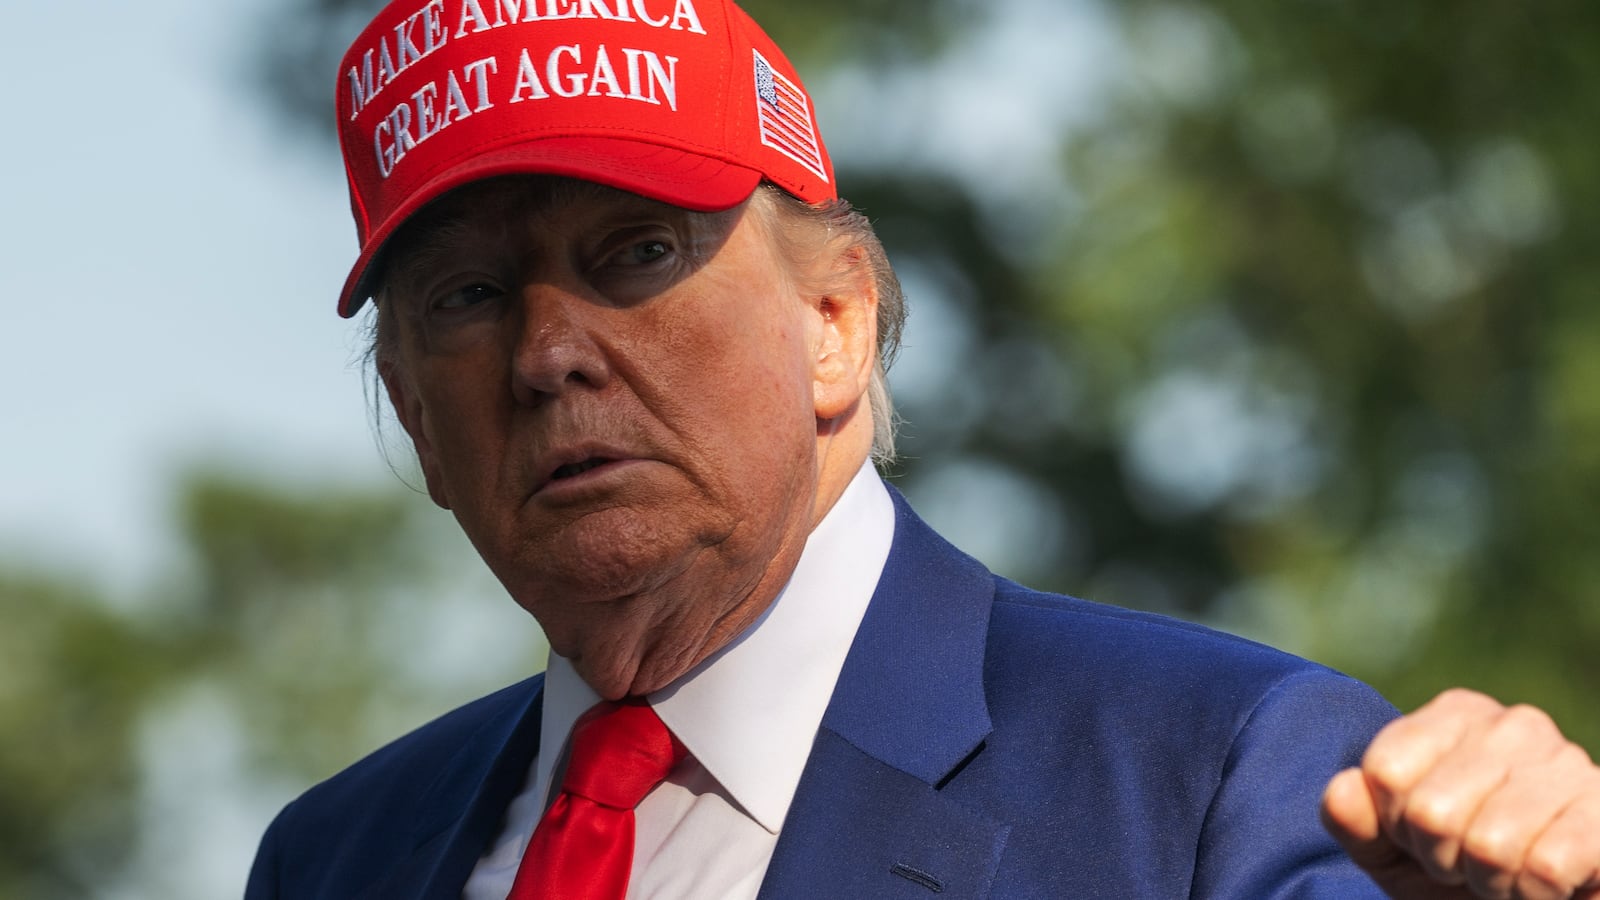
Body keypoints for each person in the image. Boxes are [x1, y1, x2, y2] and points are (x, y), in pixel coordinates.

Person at [247, 1, 1600, 897]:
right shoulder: (336, 858)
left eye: (637, 253)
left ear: (837, 321)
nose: (548, 351)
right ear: (417, 421)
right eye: (468, 299)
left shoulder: (1210, 775)